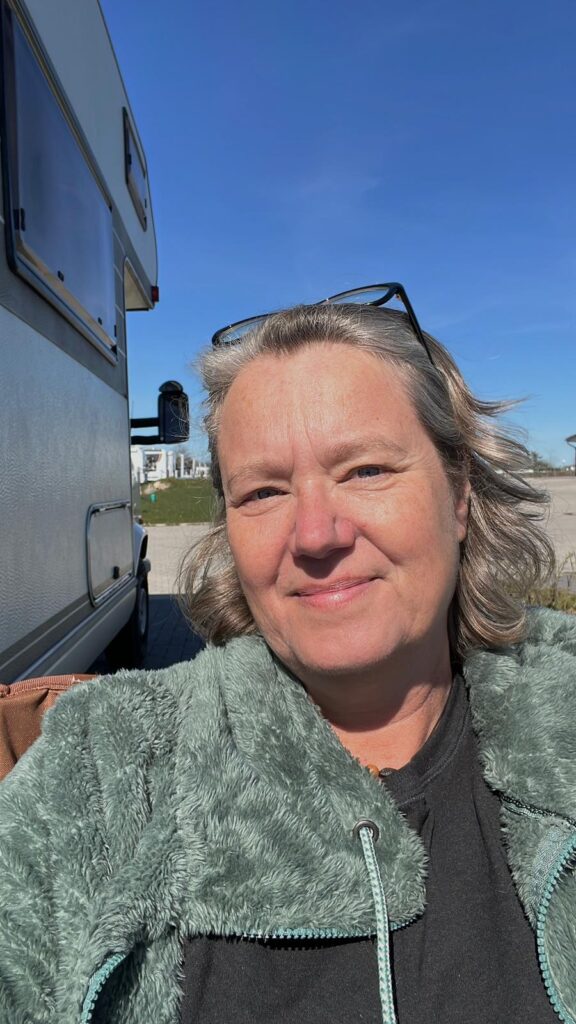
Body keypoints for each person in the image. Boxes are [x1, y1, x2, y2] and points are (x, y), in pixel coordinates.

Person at [1, 283, 575, 1024]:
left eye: (365, 471)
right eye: (264, 492)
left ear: (459, 494)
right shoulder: (108, 764)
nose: (315, 535)